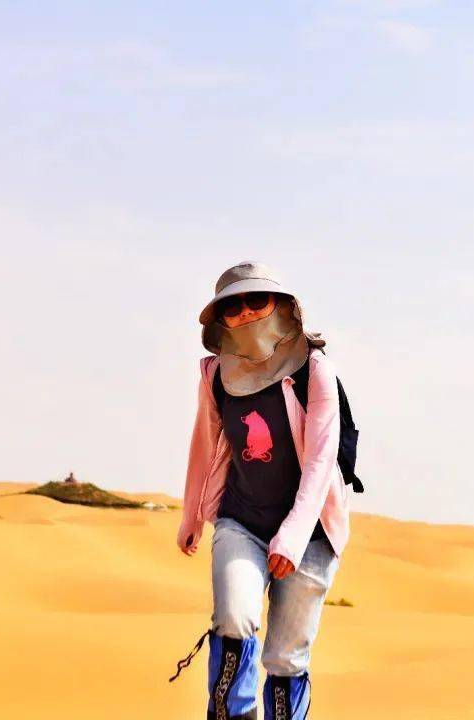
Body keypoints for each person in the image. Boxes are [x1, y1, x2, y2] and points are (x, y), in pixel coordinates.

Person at [172, 261, 352, 720]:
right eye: (232, 308)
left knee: (286, 657)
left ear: (281, 305)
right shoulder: (216, 374)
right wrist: (191, 514)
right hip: (242, 520)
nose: (246, 313)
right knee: (233, 618)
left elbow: (321, 461)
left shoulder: (315, 370)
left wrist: (292, 535)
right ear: (221, 320)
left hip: (311, 535)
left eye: (257, 300)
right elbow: (204, 440)